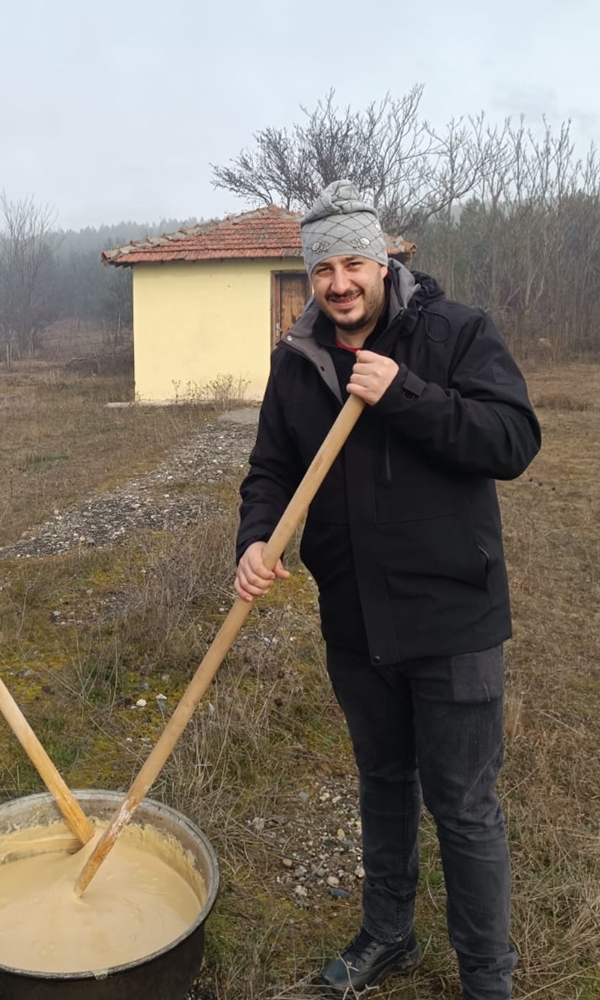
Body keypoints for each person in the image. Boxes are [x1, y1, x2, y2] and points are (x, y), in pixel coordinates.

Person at [235, 181, 540, 1000]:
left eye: (355, 262)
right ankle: (387, 936)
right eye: (323, 268)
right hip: (355, 616)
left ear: (385, 260)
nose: (339, 283)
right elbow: (270, 470)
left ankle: (486, 977)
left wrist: (402, 392)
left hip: (453, 614)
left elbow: (512, 440)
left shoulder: (455, 332)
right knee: (383, 780)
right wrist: (257, 539)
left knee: (463, 803)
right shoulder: (297, 362)